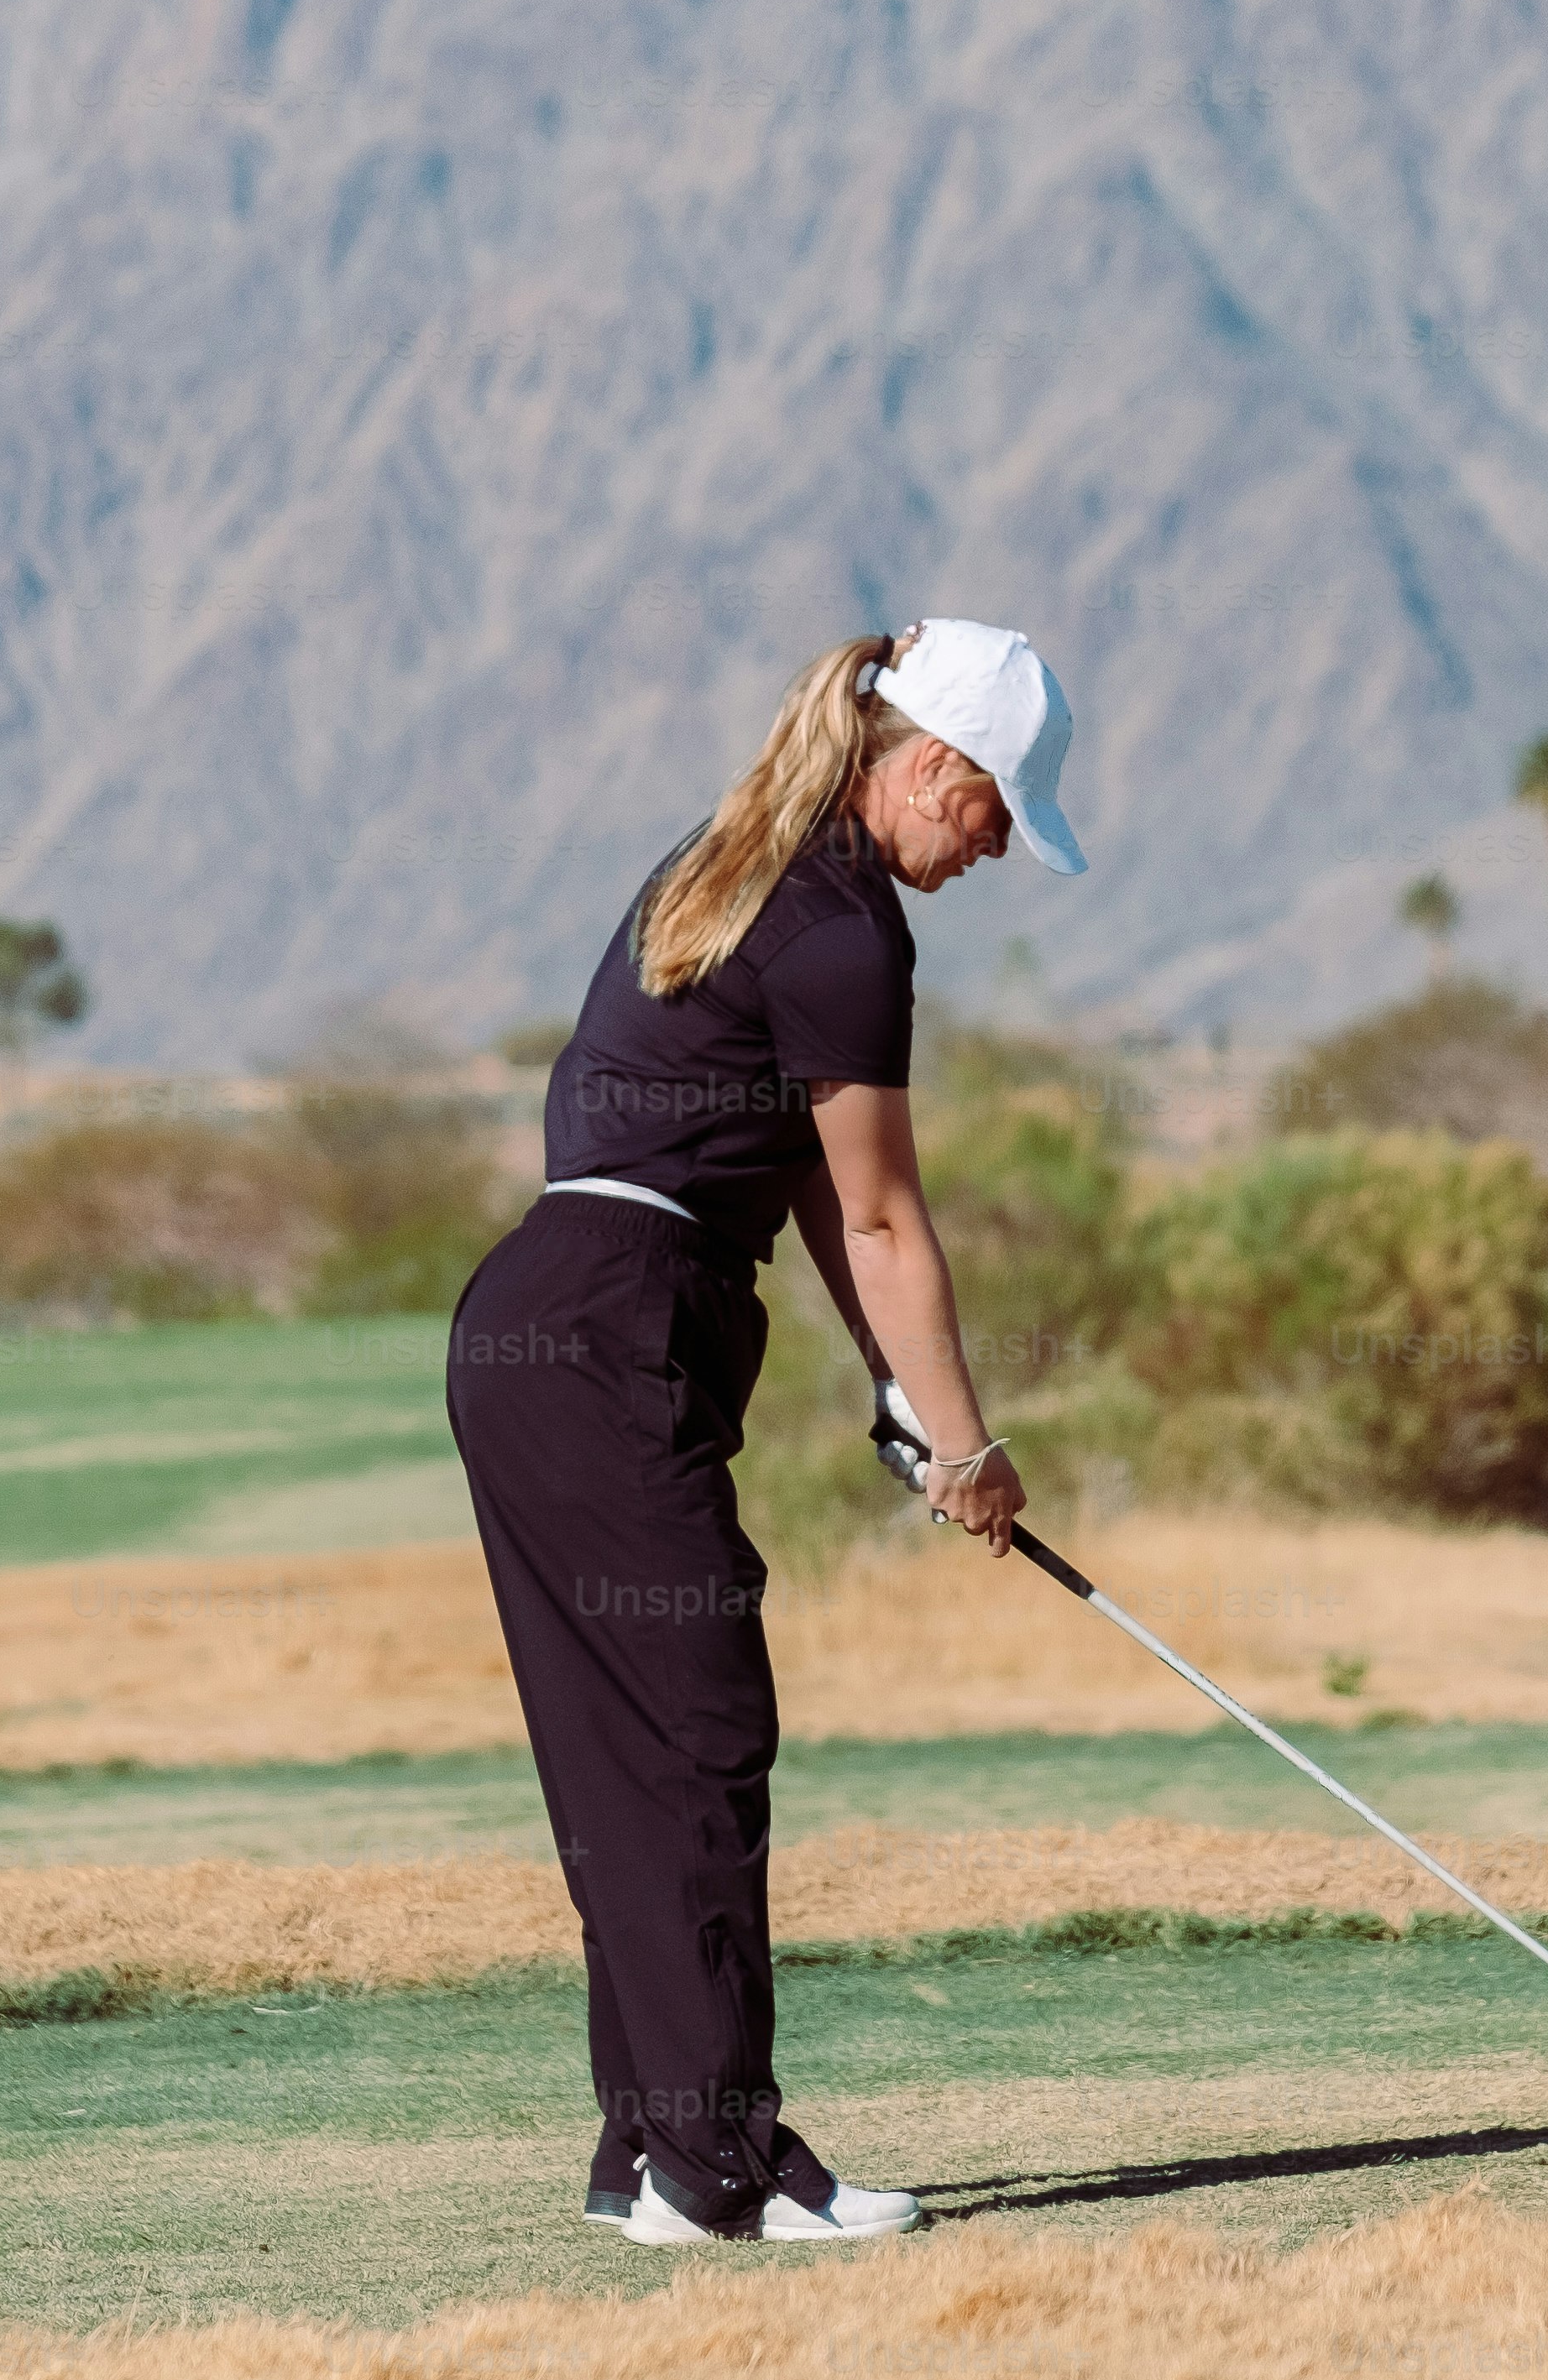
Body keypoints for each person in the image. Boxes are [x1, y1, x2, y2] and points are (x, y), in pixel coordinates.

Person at [444, 617, 1085, 2243]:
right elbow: (880, 1216)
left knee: (629, 1745)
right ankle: (726, 2165)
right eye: (999, 806)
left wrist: (901, 1395)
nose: (998, 842)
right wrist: (972, 1445)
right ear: (932, 765)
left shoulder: (743, 861)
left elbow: (804, 1181)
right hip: (618, 1324)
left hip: (541, 1313)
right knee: (702, 1736)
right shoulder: (847, 927)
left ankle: (650, 2152)